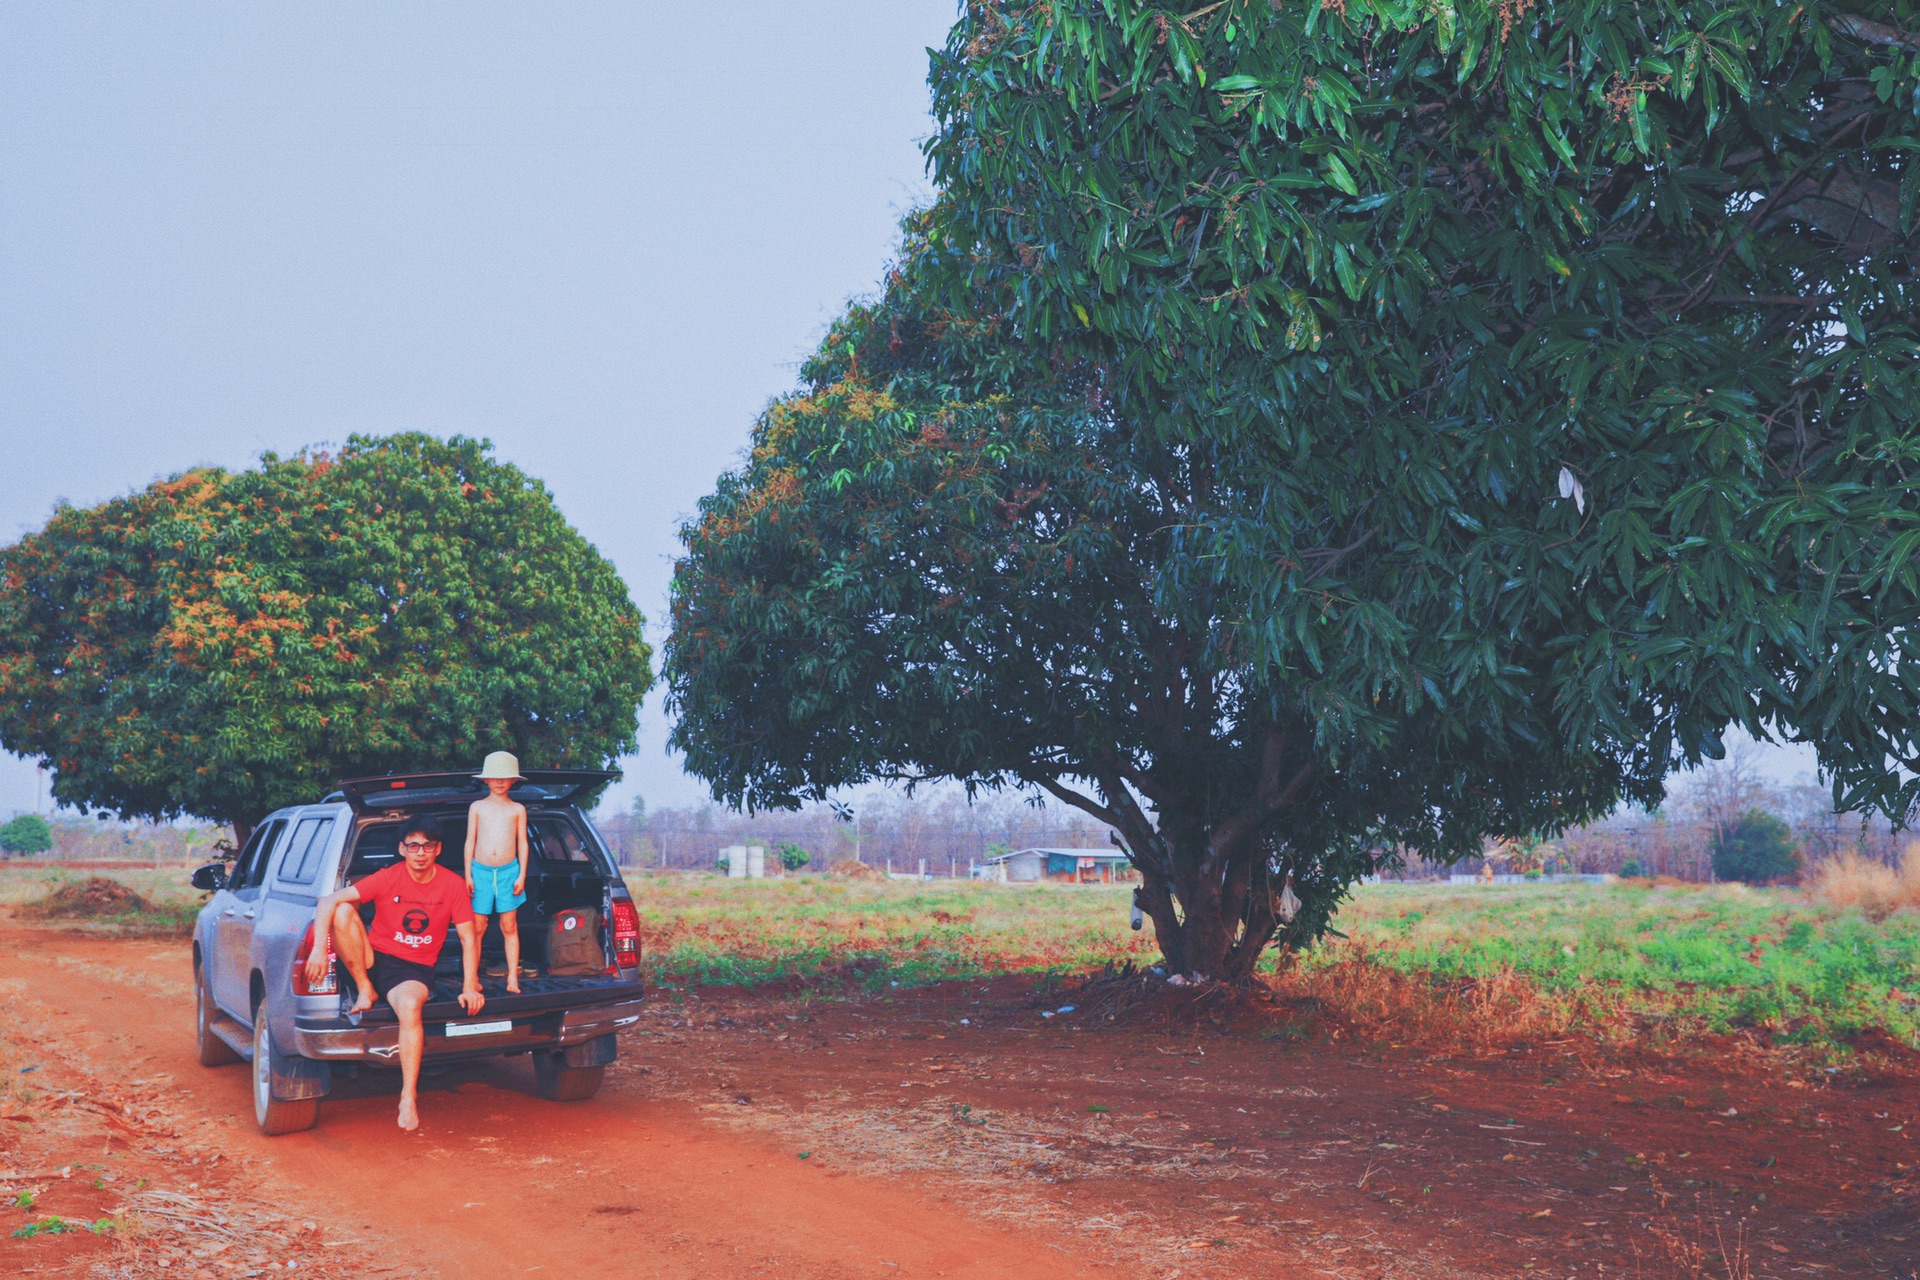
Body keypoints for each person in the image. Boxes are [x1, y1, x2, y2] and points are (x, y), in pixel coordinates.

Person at [305, 814, 483, 1132]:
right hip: (371, 959)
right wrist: (320, 948)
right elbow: (327, 900)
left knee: (410, 1008)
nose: (420, 852)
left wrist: (470, 986)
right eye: (413, 845)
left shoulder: (452, 885)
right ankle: (364, 988)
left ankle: (407, 1096)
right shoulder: (388, 877)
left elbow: (470, 938)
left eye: (427, 846)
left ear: (438, 849)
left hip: (412, 971)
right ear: (402, 849)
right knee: (343, 908)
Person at [465, 750, 531, 993]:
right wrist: (468, 875)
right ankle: (471, 979)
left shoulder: (517, 809)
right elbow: (469, 842)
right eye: (494, 777)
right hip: (480, 872)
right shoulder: (477, 807)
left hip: (508, 872)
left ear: (513, 780)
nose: (499, 781)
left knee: (509, 925)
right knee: (478, 926)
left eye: (505, 777)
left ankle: (513, 977)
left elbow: (523, 843)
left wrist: (522, 874)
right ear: (486, 780)